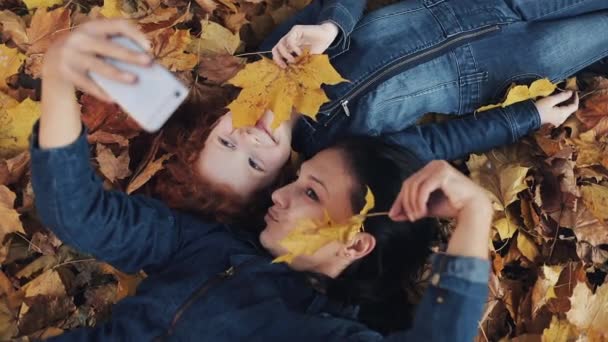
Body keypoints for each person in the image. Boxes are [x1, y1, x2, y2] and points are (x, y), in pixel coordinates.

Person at [34, 22, 495, 338]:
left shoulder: (319, 330)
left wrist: (477, 212)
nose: (279, 192)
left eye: (310, 191)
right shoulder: (206, 243)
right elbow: (82, 214)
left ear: (356, 242)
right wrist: (57, 82)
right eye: (299, 180)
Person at [166, 0, 607, 221]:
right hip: (505, 64)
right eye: (253, 163)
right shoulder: (336, 154)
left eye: (226, 140)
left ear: (214, 121)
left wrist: (330, 25)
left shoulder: (271, 60)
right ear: (279, 174)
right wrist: (528, 117)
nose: (248, 141)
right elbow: (434, 142)